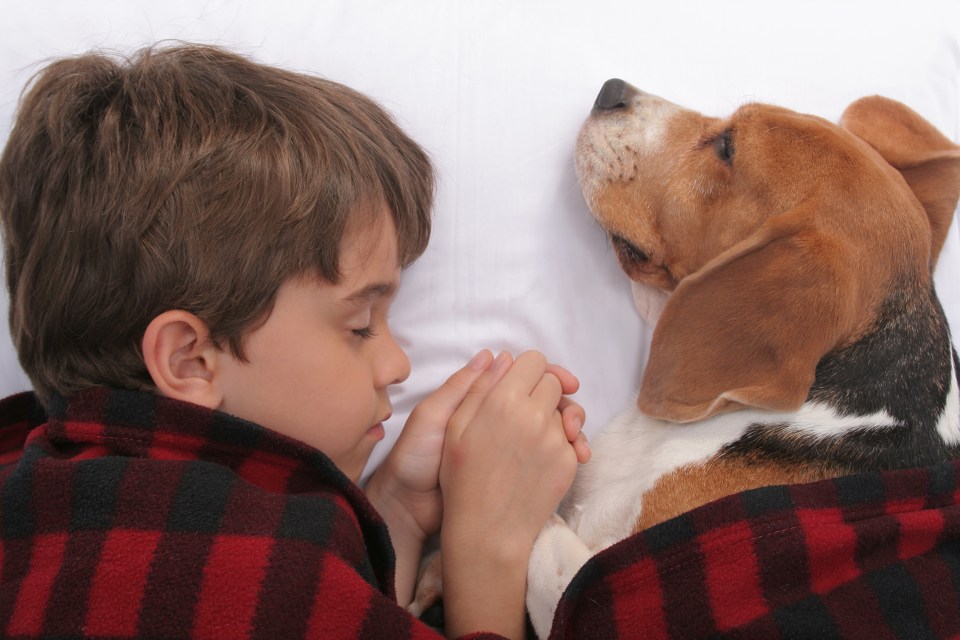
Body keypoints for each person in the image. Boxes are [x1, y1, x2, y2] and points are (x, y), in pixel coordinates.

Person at [0, 43, 589, 639]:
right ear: (189, 360)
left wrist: (394, 514)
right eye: (360, 326)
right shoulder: (248, 574)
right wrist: (487, 550)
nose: (397, 364)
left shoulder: (42, 494)